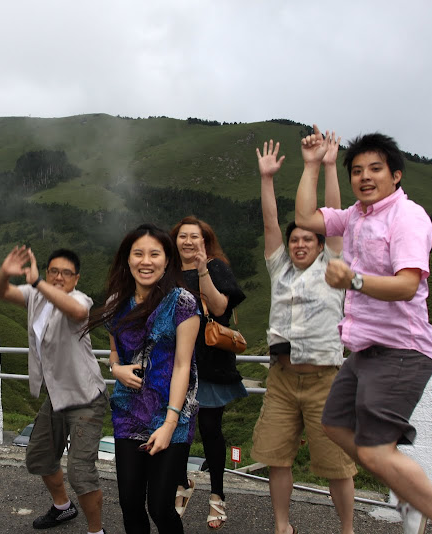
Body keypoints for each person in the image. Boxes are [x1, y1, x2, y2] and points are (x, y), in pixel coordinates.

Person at [295, 127, 432, 534]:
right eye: (357, 170)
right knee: (335, 424)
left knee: (376, 450)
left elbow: (407, 285)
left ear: (396, 175)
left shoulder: (407, 217)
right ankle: (410, 494)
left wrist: (354, 280)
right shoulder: (355, 216)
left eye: (375, 168)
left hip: (401, 349)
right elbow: (306, 218)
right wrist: (311, 165)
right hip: (365, 349)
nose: (365, 177)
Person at [253, 132, 357, 534]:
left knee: (337, 463)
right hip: (281, 378)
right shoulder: (278, 267)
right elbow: (269, 222)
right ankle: (283, 526)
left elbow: (333, 215)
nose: (298, 244)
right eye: (294, 239)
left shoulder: (332, 266)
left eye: (306, 239)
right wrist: (267, 179)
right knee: (276, 458)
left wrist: (328, 166)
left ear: (320, 244)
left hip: (325, 380)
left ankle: (347, 529)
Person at [86, 223, 200, 534]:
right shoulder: (117, 302)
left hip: (172, 413)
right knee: (130, 503)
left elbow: (183, 366)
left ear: (167, 260)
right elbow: (115, 353)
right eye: (138, 254)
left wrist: (170, 424)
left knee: (160, 507)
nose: (145, 261)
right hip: (129, 412)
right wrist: (116, 369)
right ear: (127, 259)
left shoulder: (182, 302)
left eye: (154, 254)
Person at [0, 246, 108, 534]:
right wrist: (5, 272)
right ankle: (62, 506)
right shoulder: (36, 296)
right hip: (56, 397)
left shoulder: (79, 299)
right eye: (53, 271)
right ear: (46, 271)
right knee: (40, 456)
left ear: (76, 279)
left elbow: (77, 311)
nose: (58, 277)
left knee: (80, 472)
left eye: (66, 273)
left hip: (86, 398)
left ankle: (96, 531)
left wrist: (37, 282)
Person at [170, 216, 247, 530]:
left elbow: (219, 309)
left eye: (195, 237)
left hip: (210, 362)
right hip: (176, 361)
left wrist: (202, 270)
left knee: (210, 428)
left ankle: (217, 495)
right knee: (176, 426)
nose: (188, 242)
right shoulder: (168, 270)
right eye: (183, 236)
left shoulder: (216, 267)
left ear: (205, 241)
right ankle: (181, 483)